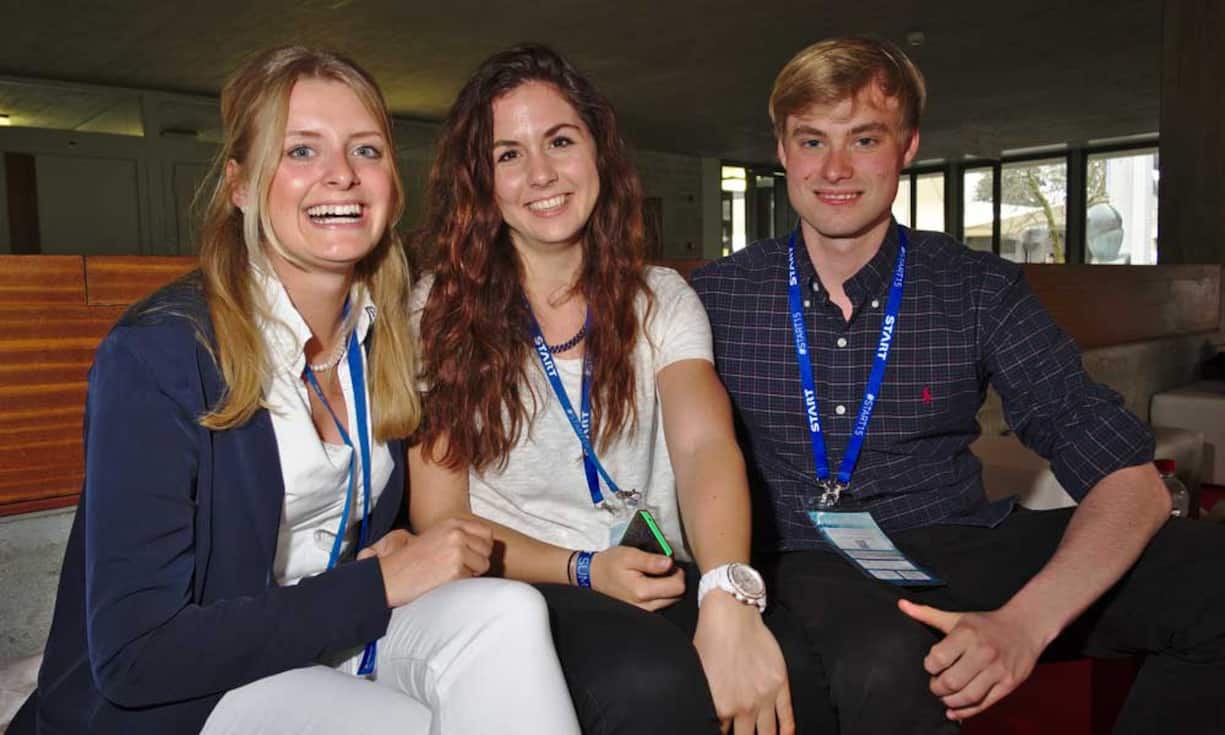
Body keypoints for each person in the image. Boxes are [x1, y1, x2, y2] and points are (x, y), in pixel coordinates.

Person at [29, 46, 579, 735]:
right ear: (240, 186)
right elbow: (137, 654)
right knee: (393, 724)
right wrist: (374, 584)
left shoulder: (391, 334)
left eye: (366, 150)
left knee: (507, 612)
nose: (342, 175)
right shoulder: (160, 351)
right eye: (301, 151)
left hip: (320, 632)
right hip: (175, 692)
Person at [691, 36, 1225, 735]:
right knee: (885, 663)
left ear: (907, 146)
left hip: (951, 541)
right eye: (811, 140)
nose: (835, 168)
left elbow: (1127, 477)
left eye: (864, 138)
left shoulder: (977, 288)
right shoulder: (716, 297)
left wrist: (1024, 623)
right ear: (783, 150)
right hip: (800, 556)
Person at [409, 44, 827, 735]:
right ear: (479, 181)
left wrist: (727, 590)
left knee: (789, 675)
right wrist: (583, 567)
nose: (540, 172)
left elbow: (702, 446)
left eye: (559, 140)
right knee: (651, 684)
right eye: (507, 154)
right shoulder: (437, 310)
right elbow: (438, 514)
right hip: (525, 584)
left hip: (661, 567)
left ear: (597, 150)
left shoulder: (659, 296)